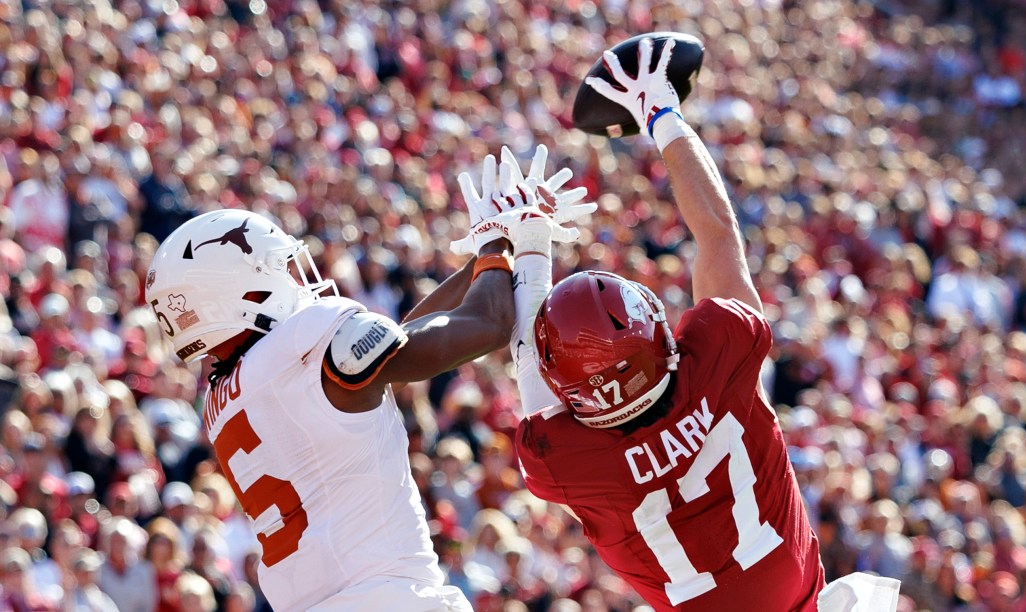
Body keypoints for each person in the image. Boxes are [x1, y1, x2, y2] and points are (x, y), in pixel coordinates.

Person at [507, 38, 897, 611]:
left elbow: (533, 377)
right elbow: (717, 233)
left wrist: (529, 250)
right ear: (660, 338)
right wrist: (661, 111)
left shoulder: (565, 457)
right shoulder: (718, 357)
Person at [144, 151, 580, 610]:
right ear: (237, 293)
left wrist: (482, 261)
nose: (295, 281)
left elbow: (399, 343)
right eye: (277, 270)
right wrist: (499, 244)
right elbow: (486, 325)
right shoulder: (301, 342)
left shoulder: (223, 395)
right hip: (390, 596)